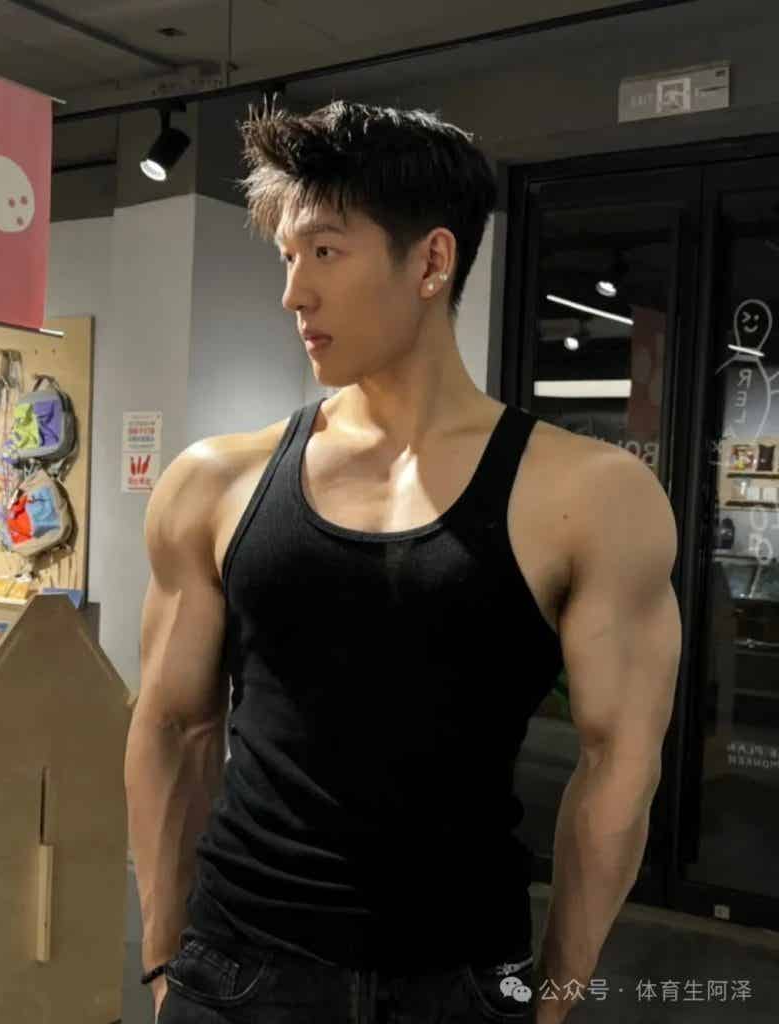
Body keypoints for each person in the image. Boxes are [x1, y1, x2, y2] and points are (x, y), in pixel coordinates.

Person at [125, 99, 682, 1024]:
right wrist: (161, 959)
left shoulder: (592, 495)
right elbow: (173, 726)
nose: (293, 294)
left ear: (431, 261)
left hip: (462, 976)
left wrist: (553, 997)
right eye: (287, 257)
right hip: (238, 970)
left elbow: (619, 755)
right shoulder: (215, 482)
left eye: (325, 252)